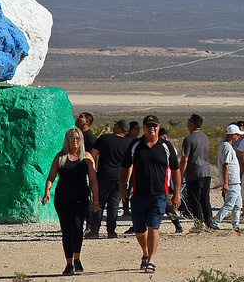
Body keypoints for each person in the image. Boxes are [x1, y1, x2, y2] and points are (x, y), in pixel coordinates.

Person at [125, 116, 179, 271]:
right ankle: (145, 252)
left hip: (159, 194)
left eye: (154, 125)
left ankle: (151, 260)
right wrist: (123, 186)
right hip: (139, 194)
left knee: (153, 227)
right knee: (139, 230)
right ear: (144, 127)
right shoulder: (135, 146)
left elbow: (176, 170)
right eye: (149, 126)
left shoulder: (166, 147)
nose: (152, 128)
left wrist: (176, 194)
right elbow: (125, 166)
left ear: (158, 127)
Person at [42, 128, 98, 276]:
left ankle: (77, 258)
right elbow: (51, 176)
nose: (75, 141)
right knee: (66, 229)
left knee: (77, 227)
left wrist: (96, 199)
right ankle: (68, 263)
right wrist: (47, 191)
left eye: (78, 138)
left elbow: (93, 180)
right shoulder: (60, 157)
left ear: (82, 140)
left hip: (80, 197)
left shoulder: (86, 158)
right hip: (62, 197)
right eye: (72, 138)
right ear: (67, 140)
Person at [90, 120, 132, 238]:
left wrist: (92, 171)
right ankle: (111, 231)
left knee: (98, 203)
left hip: (103, 176)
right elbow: (130, 164)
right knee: (113, 205)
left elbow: (93, 155)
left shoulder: (104, 139)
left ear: (118, 127)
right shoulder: (127, 144)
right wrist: (127, 180)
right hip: (119, 179)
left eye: (115, 125)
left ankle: (94, 230)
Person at [178, 114, 215, 229]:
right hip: (207, 171)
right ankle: (209, 222)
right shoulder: (204, 136)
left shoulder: (189, 139)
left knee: (194, 199)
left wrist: (180, 175)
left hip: (195, 172)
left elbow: (184, 159)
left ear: (192, 124)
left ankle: (198, 224)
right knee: (205, 198)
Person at [213, 124, 244, 233]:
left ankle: (236, 225)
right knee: (229, 204)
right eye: (237, 135)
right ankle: (215, 222)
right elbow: (225, 165)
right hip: (232, 181)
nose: (238, 137)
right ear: (233, 135)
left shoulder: (225, 146)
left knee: (238, 205)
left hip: (235, 181)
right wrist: (226, 183)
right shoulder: (227, 147)